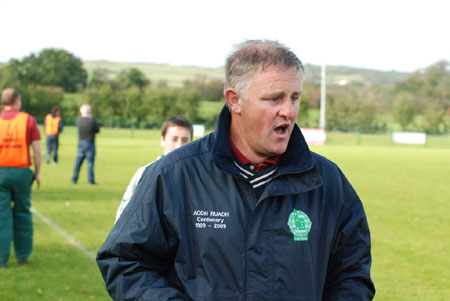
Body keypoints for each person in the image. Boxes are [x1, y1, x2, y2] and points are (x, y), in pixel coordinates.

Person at [97, 40, 375, 300]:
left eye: (294, 97)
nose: (288, 111)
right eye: (274, 98)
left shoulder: (327, 182)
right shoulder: (174, 174)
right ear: (234, 100)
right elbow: (124, 261)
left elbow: (352, 275)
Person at [115, 115, 193, 222]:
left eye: (185, 140)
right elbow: (125, 212)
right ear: (162, 140)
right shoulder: (145, 172)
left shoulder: (198, 176)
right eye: (174, 139)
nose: (179, 146)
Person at [0, 88, 41, 268]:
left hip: (1, 171)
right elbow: (37, 151)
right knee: (23, 213)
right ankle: (22, 256)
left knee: (2, 216)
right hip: (21, 171)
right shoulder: (28, 120)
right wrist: (37, 172)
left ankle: (2, 258)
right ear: (17, 100)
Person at [71, 104, 100, 185]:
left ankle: (74, 178)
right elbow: (97, 130)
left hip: (81, 142)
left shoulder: (78, 120)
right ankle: (91, 180)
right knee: (90, 163)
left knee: (78, 162)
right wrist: (92, 118)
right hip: (90, 143)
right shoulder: (92, 120)